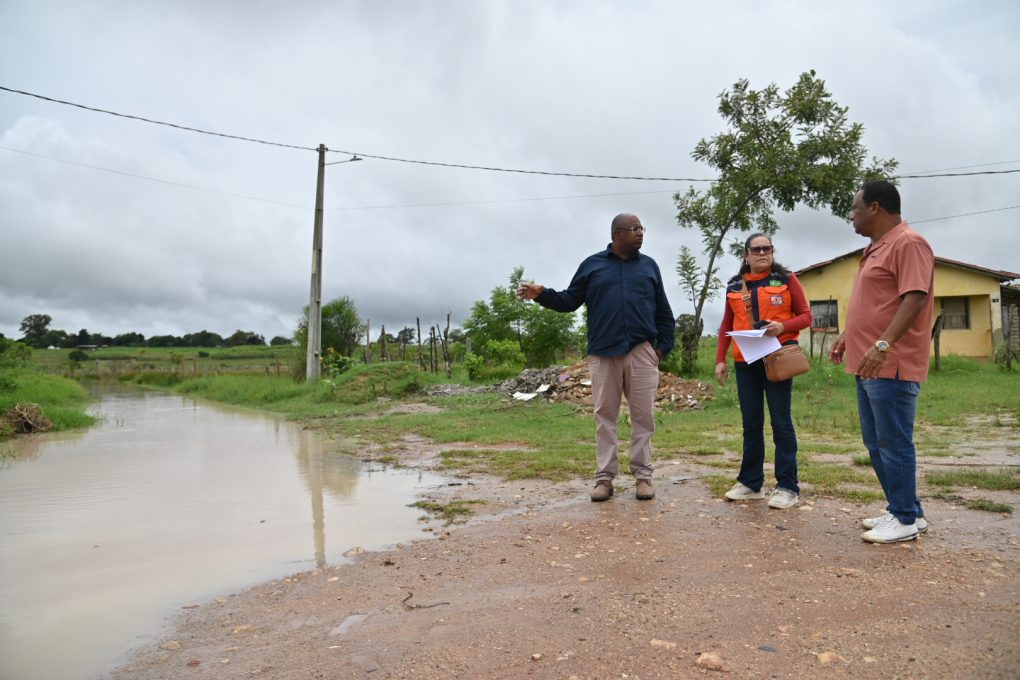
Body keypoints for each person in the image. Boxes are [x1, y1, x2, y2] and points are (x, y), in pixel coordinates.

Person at [517, 213, 675, 502]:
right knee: (605, 417)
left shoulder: (649, 267)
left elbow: (663, 311)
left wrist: (661, 348)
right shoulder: (593, 266)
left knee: (643, 417)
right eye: (634, 229)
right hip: (603, 353)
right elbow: (569, 301)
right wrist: (542, 294)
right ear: (617, 234)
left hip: (641, 351)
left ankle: (643, 477)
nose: (641, 234)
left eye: (642, 229)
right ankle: (605, 479)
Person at [829, 180, 934, 544]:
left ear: (875, 207)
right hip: (866, 363)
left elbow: (915, 298)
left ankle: (904, 518)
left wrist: (883, 344)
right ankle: (906, 510)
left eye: (855, 209)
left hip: (890, 364)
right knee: (876, 441)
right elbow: (875, 303)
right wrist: (848, 335)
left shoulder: (908, 243)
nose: (851, 216)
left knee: (894, 442)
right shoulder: (875, 248)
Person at [714, 233, 812, 509]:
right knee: (751, 422)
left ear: (772, 251)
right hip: (745, 360)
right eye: (756, 249)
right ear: (746, 254)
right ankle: (750, 483)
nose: (762, 253)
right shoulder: (734, 286)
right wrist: (720, 359)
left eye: (767, 248)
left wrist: (783, 327)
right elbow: (725, 325)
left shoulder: (787, 280)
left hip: (778, 357)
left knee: (781, 421)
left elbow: (806, 316)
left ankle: (787, 486)